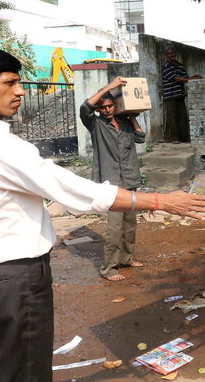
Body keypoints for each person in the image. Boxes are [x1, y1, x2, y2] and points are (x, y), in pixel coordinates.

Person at [0, 44, 205, 381]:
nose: (20, 91)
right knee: (24, 372)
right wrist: (162, 202)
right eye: (10, 83)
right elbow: (75, 191)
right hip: (11, 281)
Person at [80, 77, 146, 281]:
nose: (108, 110)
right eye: (104, 107)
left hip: (130, 178)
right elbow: (85, 106)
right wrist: (110, 87)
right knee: (115, 227)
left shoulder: (125, 123)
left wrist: (133, 116)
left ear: (116, 106)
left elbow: (141, 137)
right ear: (99, 110)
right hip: (111, 183)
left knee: (130, 224)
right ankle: (109, 268)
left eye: (110, 106)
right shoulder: (96, 124)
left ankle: (126, 258)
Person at [162, 45, 202, 142]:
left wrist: (193, 77)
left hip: (179, 95)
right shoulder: (166, 66)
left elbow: (185, 78)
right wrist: (192, 78)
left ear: (175, 53)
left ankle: (184, 138)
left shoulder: (180, 65)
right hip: (170, 95)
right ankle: (174, 138)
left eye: (172, 53)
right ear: (166, 55)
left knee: (182, 117)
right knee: (172, 117)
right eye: (169, 53)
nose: (171, 55)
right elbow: (178, 78)